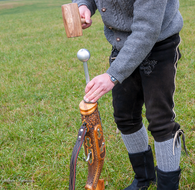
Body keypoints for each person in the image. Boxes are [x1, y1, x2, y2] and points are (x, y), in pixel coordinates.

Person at [72, 0, 187, 189]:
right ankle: (143, 178)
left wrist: (112, 75)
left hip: (159, 42)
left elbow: (147, 30)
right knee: (125, 117)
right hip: (122, 45)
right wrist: (83, 5)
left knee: (160, 120)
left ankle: (167, 186)